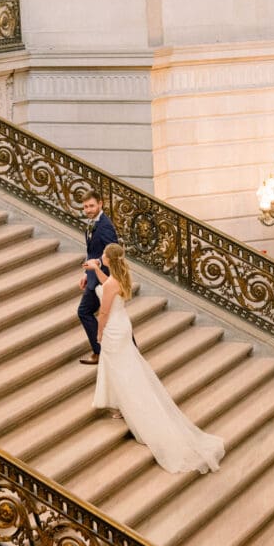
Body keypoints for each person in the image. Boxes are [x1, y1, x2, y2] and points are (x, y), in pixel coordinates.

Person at [83, 243, 225, 474]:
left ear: (109, 259)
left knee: (120, 370)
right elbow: (106, 285)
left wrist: (99, 333)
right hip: (123, 326)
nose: (100, 257)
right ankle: (118, 404)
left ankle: (127, 407)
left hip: (112, 328)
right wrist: (95, 270)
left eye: (103, 256)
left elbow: (105, 311)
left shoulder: (110, 284)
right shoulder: (118, 277)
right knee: (124, 367)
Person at [77, 189, 118, 365]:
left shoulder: (105, 225)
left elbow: (113, 251)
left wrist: (98, 265)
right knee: (114, 315)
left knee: (84, 311)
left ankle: (99, 351)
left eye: (92, 205)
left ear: (100, 204)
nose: (88, 209)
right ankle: (128, 350)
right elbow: (92, 251)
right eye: (85, 207)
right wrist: (87, 273)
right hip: (94, 276)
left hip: (104, 279)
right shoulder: (92, 222)